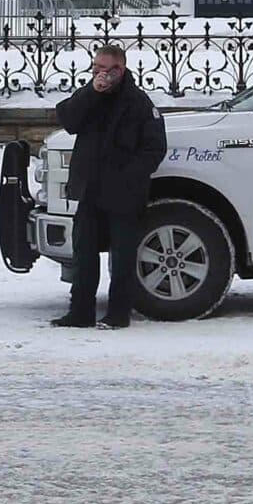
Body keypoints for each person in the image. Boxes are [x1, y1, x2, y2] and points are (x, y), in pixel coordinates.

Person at [52, 42, 166, 329]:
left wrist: (130, 177)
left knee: (122, 256)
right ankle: (80, 312)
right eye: (95, 68)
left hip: (124, 193)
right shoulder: (90, 95)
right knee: (84, 254)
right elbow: (67, 118)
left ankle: (118, 314)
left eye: (104, 69)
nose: (99, 74)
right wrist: (92, 92)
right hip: (90, 189)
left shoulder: (138, 103)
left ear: (120, 69)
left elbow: (154, 148)